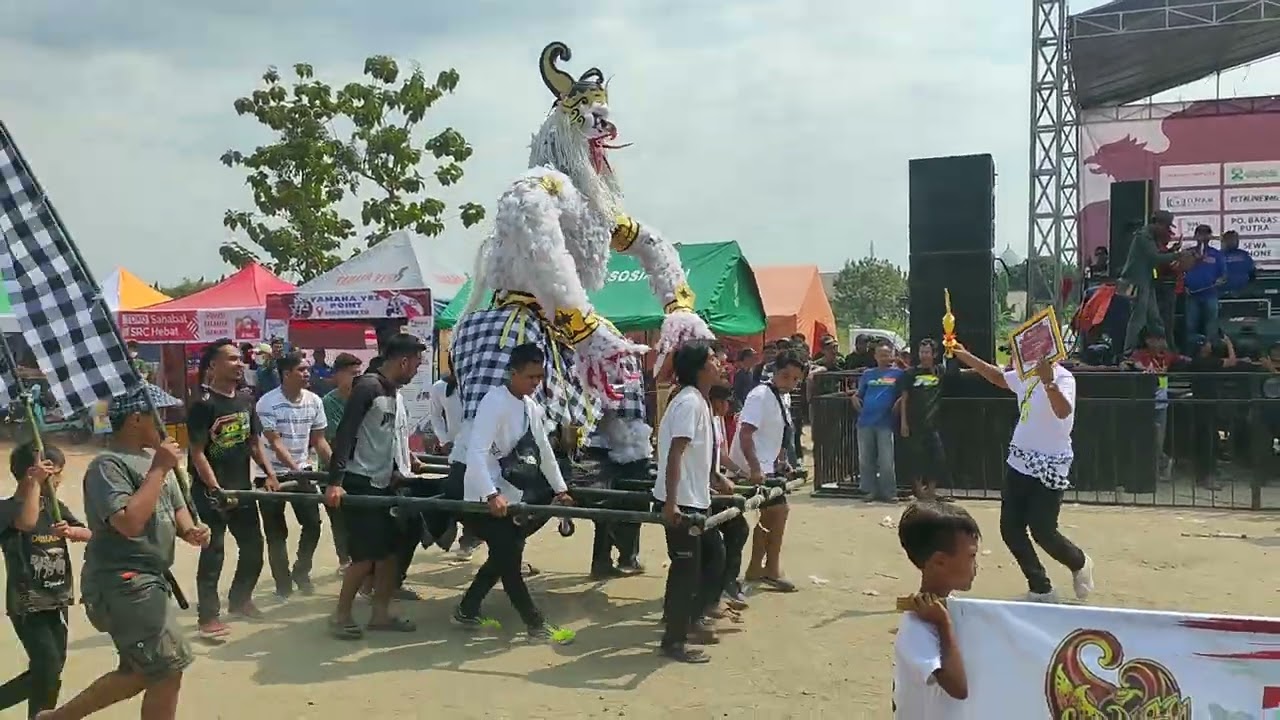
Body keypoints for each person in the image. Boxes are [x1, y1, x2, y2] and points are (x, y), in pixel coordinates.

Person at [39, 384, 210, 720]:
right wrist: (159, 469)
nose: (163, 422)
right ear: (135, 418)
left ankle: (56, 719)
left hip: (149, 580)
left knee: (142, 670)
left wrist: (192, 531)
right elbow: (129, 523)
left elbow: (177, 513)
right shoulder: (108, 466)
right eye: (155, 415)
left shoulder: (154, 460)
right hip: (123, 580)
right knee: (165, 668)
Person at [951, 342, 1094, 603]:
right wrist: (963, 354)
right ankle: (1041, 587)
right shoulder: (1023, 376)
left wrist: (1049, 383)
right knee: (1010, 529)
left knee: (1043, 530)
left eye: (1016, 351)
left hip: (1050, 464)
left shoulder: (1063, 378)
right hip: (1019, 461)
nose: (1012, 356)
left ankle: (1080, 562)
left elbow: (1063, 412)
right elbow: (995, 376)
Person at [452, 343, 575, 644]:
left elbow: (544, 451)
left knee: (505, 554)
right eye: (530, 376)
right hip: (482, 496)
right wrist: (490, 494)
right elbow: (477, 453)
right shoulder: (494, 402)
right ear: (513, 372)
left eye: (539, 376)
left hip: (511, 493)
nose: (535, 383)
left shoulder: (531, 406)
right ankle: (535, 624)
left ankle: (467, 609)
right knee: (509, 558)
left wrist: (561, 490)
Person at [325, 333, 427, 639]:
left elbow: (386, 438)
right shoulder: (367, 387)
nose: (416, 371)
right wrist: (335, 482)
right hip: (360, 482)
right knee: (365, 557)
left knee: (390, 554)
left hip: (383, 483)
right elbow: (345, 434)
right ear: (404, 361)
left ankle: (380, 614)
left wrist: (399, 468)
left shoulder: (392, 392)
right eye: (416, 364)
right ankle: (340, 616)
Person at [188, 339, 275, 639]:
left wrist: (270, 473)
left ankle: (240, 599)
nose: (239, 364)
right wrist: (215, 488)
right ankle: (207, 617)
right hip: (211, 494)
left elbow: (254, 443)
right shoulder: (203, 405)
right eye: (232, 359)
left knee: (253, 548)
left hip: (243, 490)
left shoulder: (246, 400)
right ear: (213, 365)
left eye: (241, 359)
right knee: (214, 553)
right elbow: (197, 452)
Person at [0, 444, 87, 718]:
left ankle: (40, 715)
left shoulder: (55, 508)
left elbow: (90, 533)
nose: (60, 481)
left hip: (57, 598)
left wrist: (72, 530)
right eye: (55, 475)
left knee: (52, 669)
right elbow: (26, 523)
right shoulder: (7, 509)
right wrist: (36, 484)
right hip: (28, 601)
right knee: (47, 666)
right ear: (32, 474)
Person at [655, 342, 725, 663]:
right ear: (699, 368)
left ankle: (689, 620)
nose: (719, 363)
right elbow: (675, 453)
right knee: (686, 570)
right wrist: (671, 503)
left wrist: (715, 477)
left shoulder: (700, 401)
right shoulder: (688, 403)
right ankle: (674, 640)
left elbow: (699, 451)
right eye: (712, 360)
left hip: (697, 498)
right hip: (682, 502)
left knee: (712, 556)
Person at [893, 501, 980, 718]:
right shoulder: (916, 628)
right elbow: (958, 687)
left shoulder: (954, 607)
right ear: (939, 562)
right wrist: (943, 624)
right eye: (971, 556)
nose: (976, 565)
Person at [255, 351, 331, 600]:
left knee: (313, 524)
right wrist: (295, 471)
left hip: (303, 471)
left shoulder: (314, 401)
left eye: (307, 369)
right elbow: (274, 442)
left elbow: (318, 440)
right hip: (271, 473)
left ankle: (301, 571)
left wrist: (334, 469)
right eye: (301, 369)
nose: (307, 373)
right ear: (286, 374)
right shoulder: (267, 402)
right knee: (276, 533)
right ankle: (282, 584)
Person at [730, 351, 805, 593]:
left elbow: (776, 434)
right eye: (786, 376)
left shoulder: (783, 398)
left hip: (766, 464)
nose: (790, 383)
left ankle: (756, 567)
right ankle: (770, 568)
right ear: (775, 372)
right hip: (751, 467)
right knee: (778, 510)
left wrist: (781, 460)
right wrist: (753, 468)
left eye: (795, 379)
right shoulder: (760, 395)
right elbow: (746, 433)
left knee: (772, 514)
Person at [426, 366, 480, 561]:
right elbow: (435, 416)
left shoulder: (480, 385)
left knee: (478, 493)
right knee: (458, 492)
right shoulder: (440, 388)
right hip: (456, 452)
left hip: (481, 450)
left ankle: (470, 537)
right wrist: (444, 440)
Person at [1120, 210, 1191, 352]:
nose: (1167, 231)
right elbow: (1155, 258)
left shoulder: (1149, 237)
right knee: (1138, 318)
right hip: (1134, 282)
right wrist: (1177, 255)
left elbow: (1155, 255)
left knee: (1154, 318)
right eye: (1166, 227)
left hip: (1145, 282)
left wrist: (1171, 251)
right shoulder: (1143, 237)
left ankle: (1164, 350)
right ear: (1158, 224)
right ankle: (1128, 352)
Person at [709, 384, 750, 610]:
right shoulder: (703, 417)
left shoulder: (718, 421)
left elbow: (722, 456)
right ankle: (717, 592)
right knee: (723, 537)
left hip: (715, 485)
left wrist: (742, 473)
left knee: (739, 529)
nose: (727, 407)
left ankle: (728, 583)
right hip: (701, 489)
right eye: (724, 402)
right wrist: (715, 480)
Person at [319, 352, 361, 572]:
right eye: (353, 374)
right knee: (338, 518)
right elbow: (337, 440)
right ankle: (344, 561)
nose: (357, 378)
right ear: (339, 375)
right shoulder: (329, 402)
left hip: (358, 467)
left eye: (359, 374)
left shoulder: (361, 398)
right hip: (331, 468)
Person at [897, 339, 953, 500]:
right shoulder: (910, 374)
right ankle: (919, 493)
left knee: (937, 458)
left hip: (933, 424)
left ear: (934, 354)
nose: (924, 355)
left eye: (927, 352)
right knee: (915, 460)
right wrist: (904, 423)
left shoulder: (939, 371)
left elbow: (957, 372)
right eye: (922, 352)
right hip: (914, 423)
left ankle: (930, 491)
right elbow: (904, 398)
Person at [852, 341, 906, 503]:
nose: (884, 358)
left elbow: (905, 393)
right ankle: (869, 491)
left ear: (892, 355)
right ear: (875, 356)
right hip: (865, 422)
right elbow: (858, 394)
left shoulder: (898, 374)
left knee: (886, 460)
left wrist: (898, 405)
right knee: (866, 459)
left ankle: (889, 492)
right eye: (881, 355)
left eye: (887, 354)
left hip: (886, 422)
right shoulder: (868, 374)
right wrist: (855, 401)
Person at [1182, 224, 1225, 342]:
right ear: (1195, 236)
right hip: (1191, 295)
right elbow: (1180, 272)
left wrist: (1220, 280)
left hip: (1210, 294)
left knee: (1211, 325)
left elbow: (1223, 274)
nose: (1203, 236)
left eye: (1206, 233)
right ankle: (1192, 352)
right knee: (1190, 325)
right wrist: (1183, 286)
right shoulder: (1187, 252)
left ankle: (1211, 350)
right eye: (1200, 233)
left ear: (1210, 236)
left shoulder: (1217, 254)